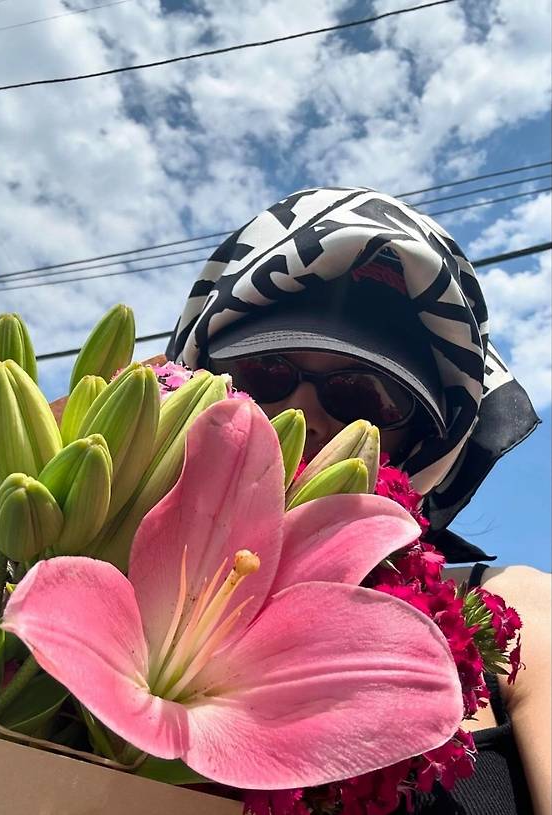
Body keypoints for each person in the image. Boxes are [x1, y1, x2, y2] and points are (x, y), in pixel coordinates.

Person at [165, 186, 551, 815]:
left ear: (422, 444)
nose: (301, 414)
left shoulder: (527, 615)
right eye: (263, 374)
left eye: (361, 396)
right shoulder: (76, 551)